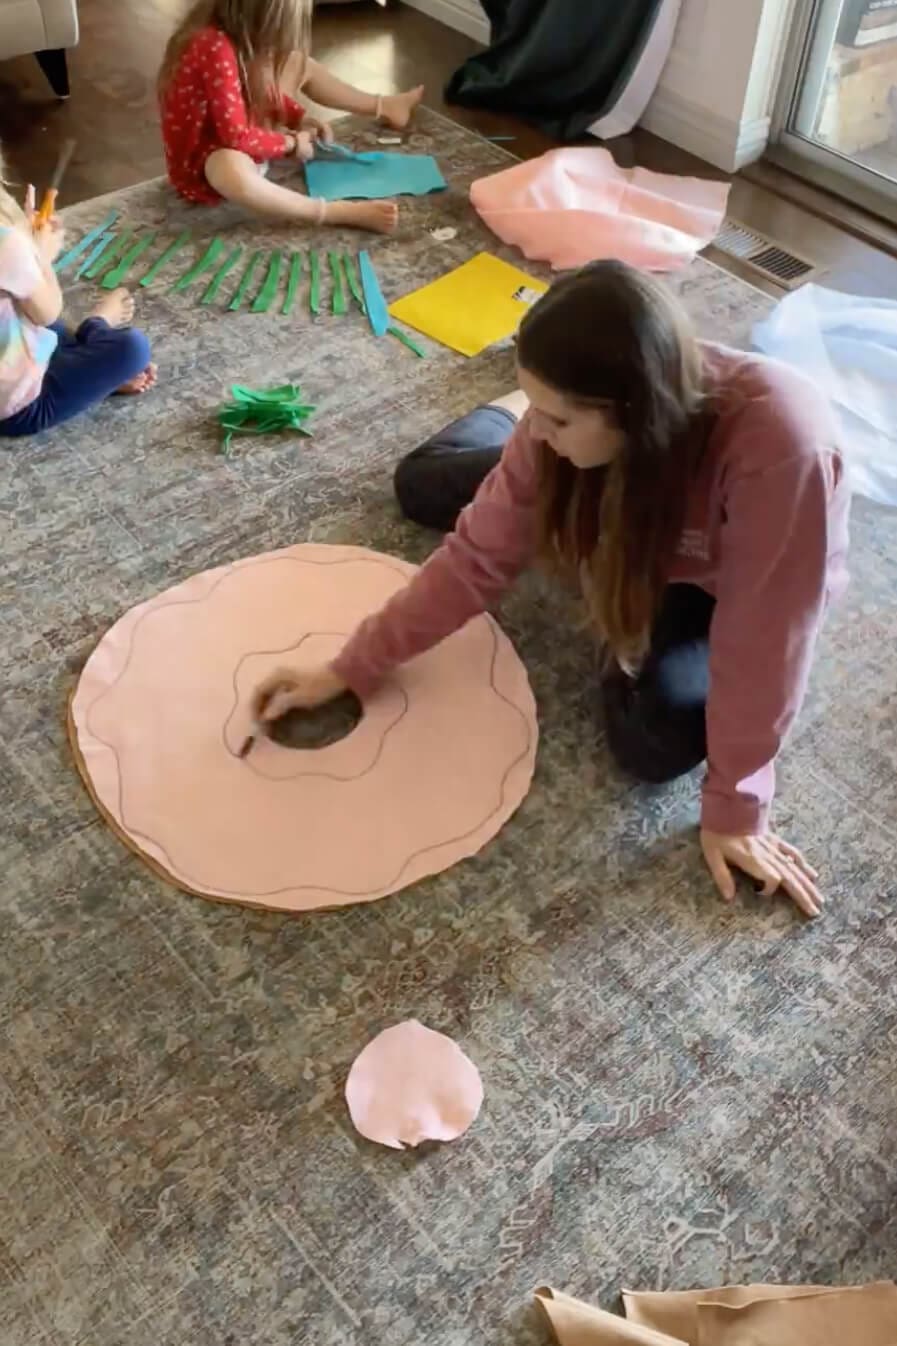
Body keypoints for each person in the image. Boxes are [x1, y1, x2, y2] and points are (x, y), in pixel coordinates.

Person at [252, 261, 850, 918]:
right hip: (610, 489)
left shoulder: (780, 448)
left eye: (555, 418)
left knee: (653, 746)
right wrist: (352, 664)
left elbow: (766, 639)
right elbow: (477, 556)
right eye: (535, 411)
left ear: (630, 413)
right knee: (420, 487)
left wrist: (738, 806)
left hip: (716, 575)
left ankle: (577, 499)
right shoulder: (557, 444)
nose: (540, 435)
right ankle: (500, 412)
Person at [158, 0, 424, 235]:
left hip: (243, 130)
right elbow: (235, 137)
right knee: (228, 166)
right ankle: (332, 212)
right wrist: (290, 144)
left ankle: (385, 105)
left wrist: (298, 118)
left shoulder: (233, 33)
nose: (280, 41)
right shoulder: (213, 45)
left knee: (298, 62)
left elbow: (253, 89)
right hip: (207, 165)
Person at [0, 166, 155, 439]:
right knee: (132, 348)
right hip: (17, 408)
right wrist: (39, 257)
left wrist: (24, 245)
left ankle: (94, 373)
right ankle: (95, 328)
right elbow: (46, 313)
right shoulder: (6, 244)